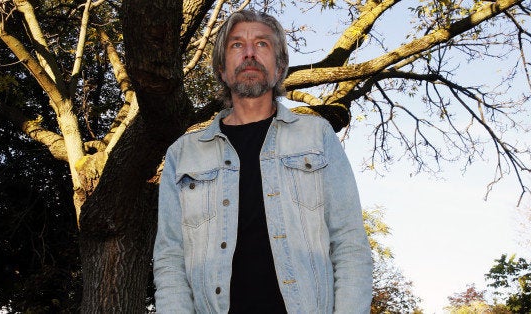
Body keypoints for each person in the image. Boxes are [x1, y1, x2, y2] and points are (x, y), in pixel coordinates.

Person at [153, 10, 373, 313]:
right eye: (236, 45)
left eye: (262, 44)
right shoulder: (183, 154)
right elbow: (170, 258)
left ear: (279, 66)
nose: (249, 53)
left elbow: (349, 243)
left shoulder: (317, 136)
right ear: (221, 68)